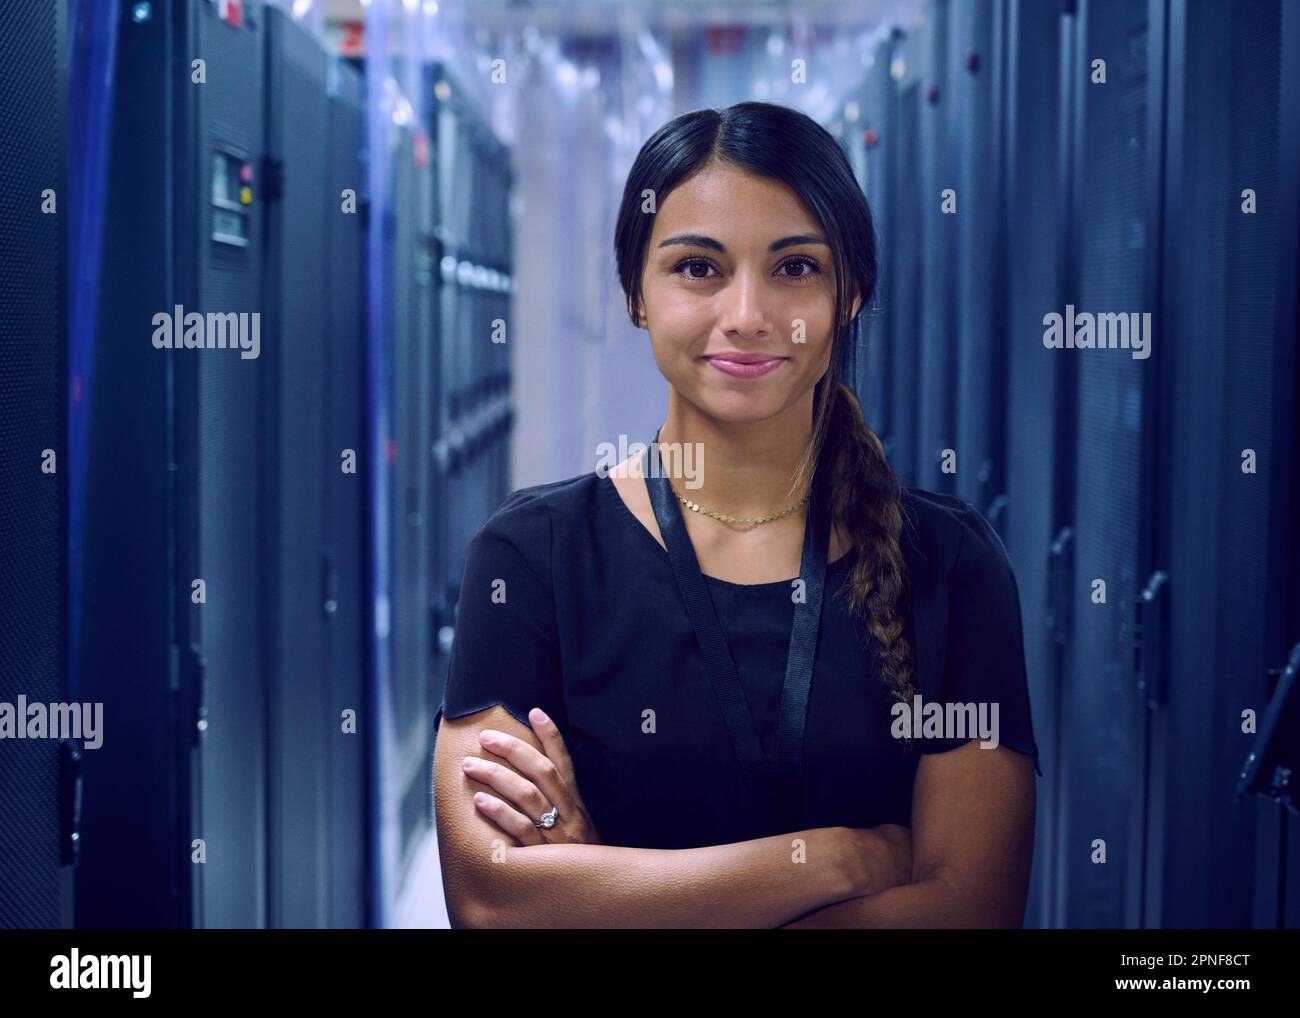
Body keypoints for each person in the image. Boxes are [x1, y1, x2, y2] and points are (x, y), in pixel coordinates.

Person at [432, 100, 1040, 929]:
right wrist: (842, 858)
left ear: (850, 293)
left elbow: (970, 911)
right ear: (637, 294)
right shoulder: (531, 559)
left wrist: (605, 886)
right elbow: (493, 902)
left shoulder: (952, 567)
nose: (748, 314)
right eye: (698, 268)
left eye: (795, 268)